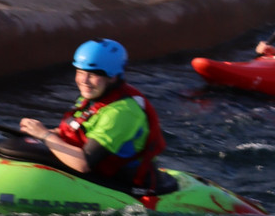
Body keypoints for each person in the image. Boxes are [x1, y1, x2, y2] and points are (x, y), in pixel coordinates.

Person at [18, 38, 167, 193]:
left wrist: (45, 135)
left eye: (93, 74)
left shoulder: (121, 112)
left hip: (127, 185)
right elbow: (77, 130)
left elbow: (83, 164)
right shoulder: (93, 96)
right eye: (80, 72)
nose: (84, 81)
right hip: (97, 170)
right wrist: (37, 132)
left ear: (113, 77)